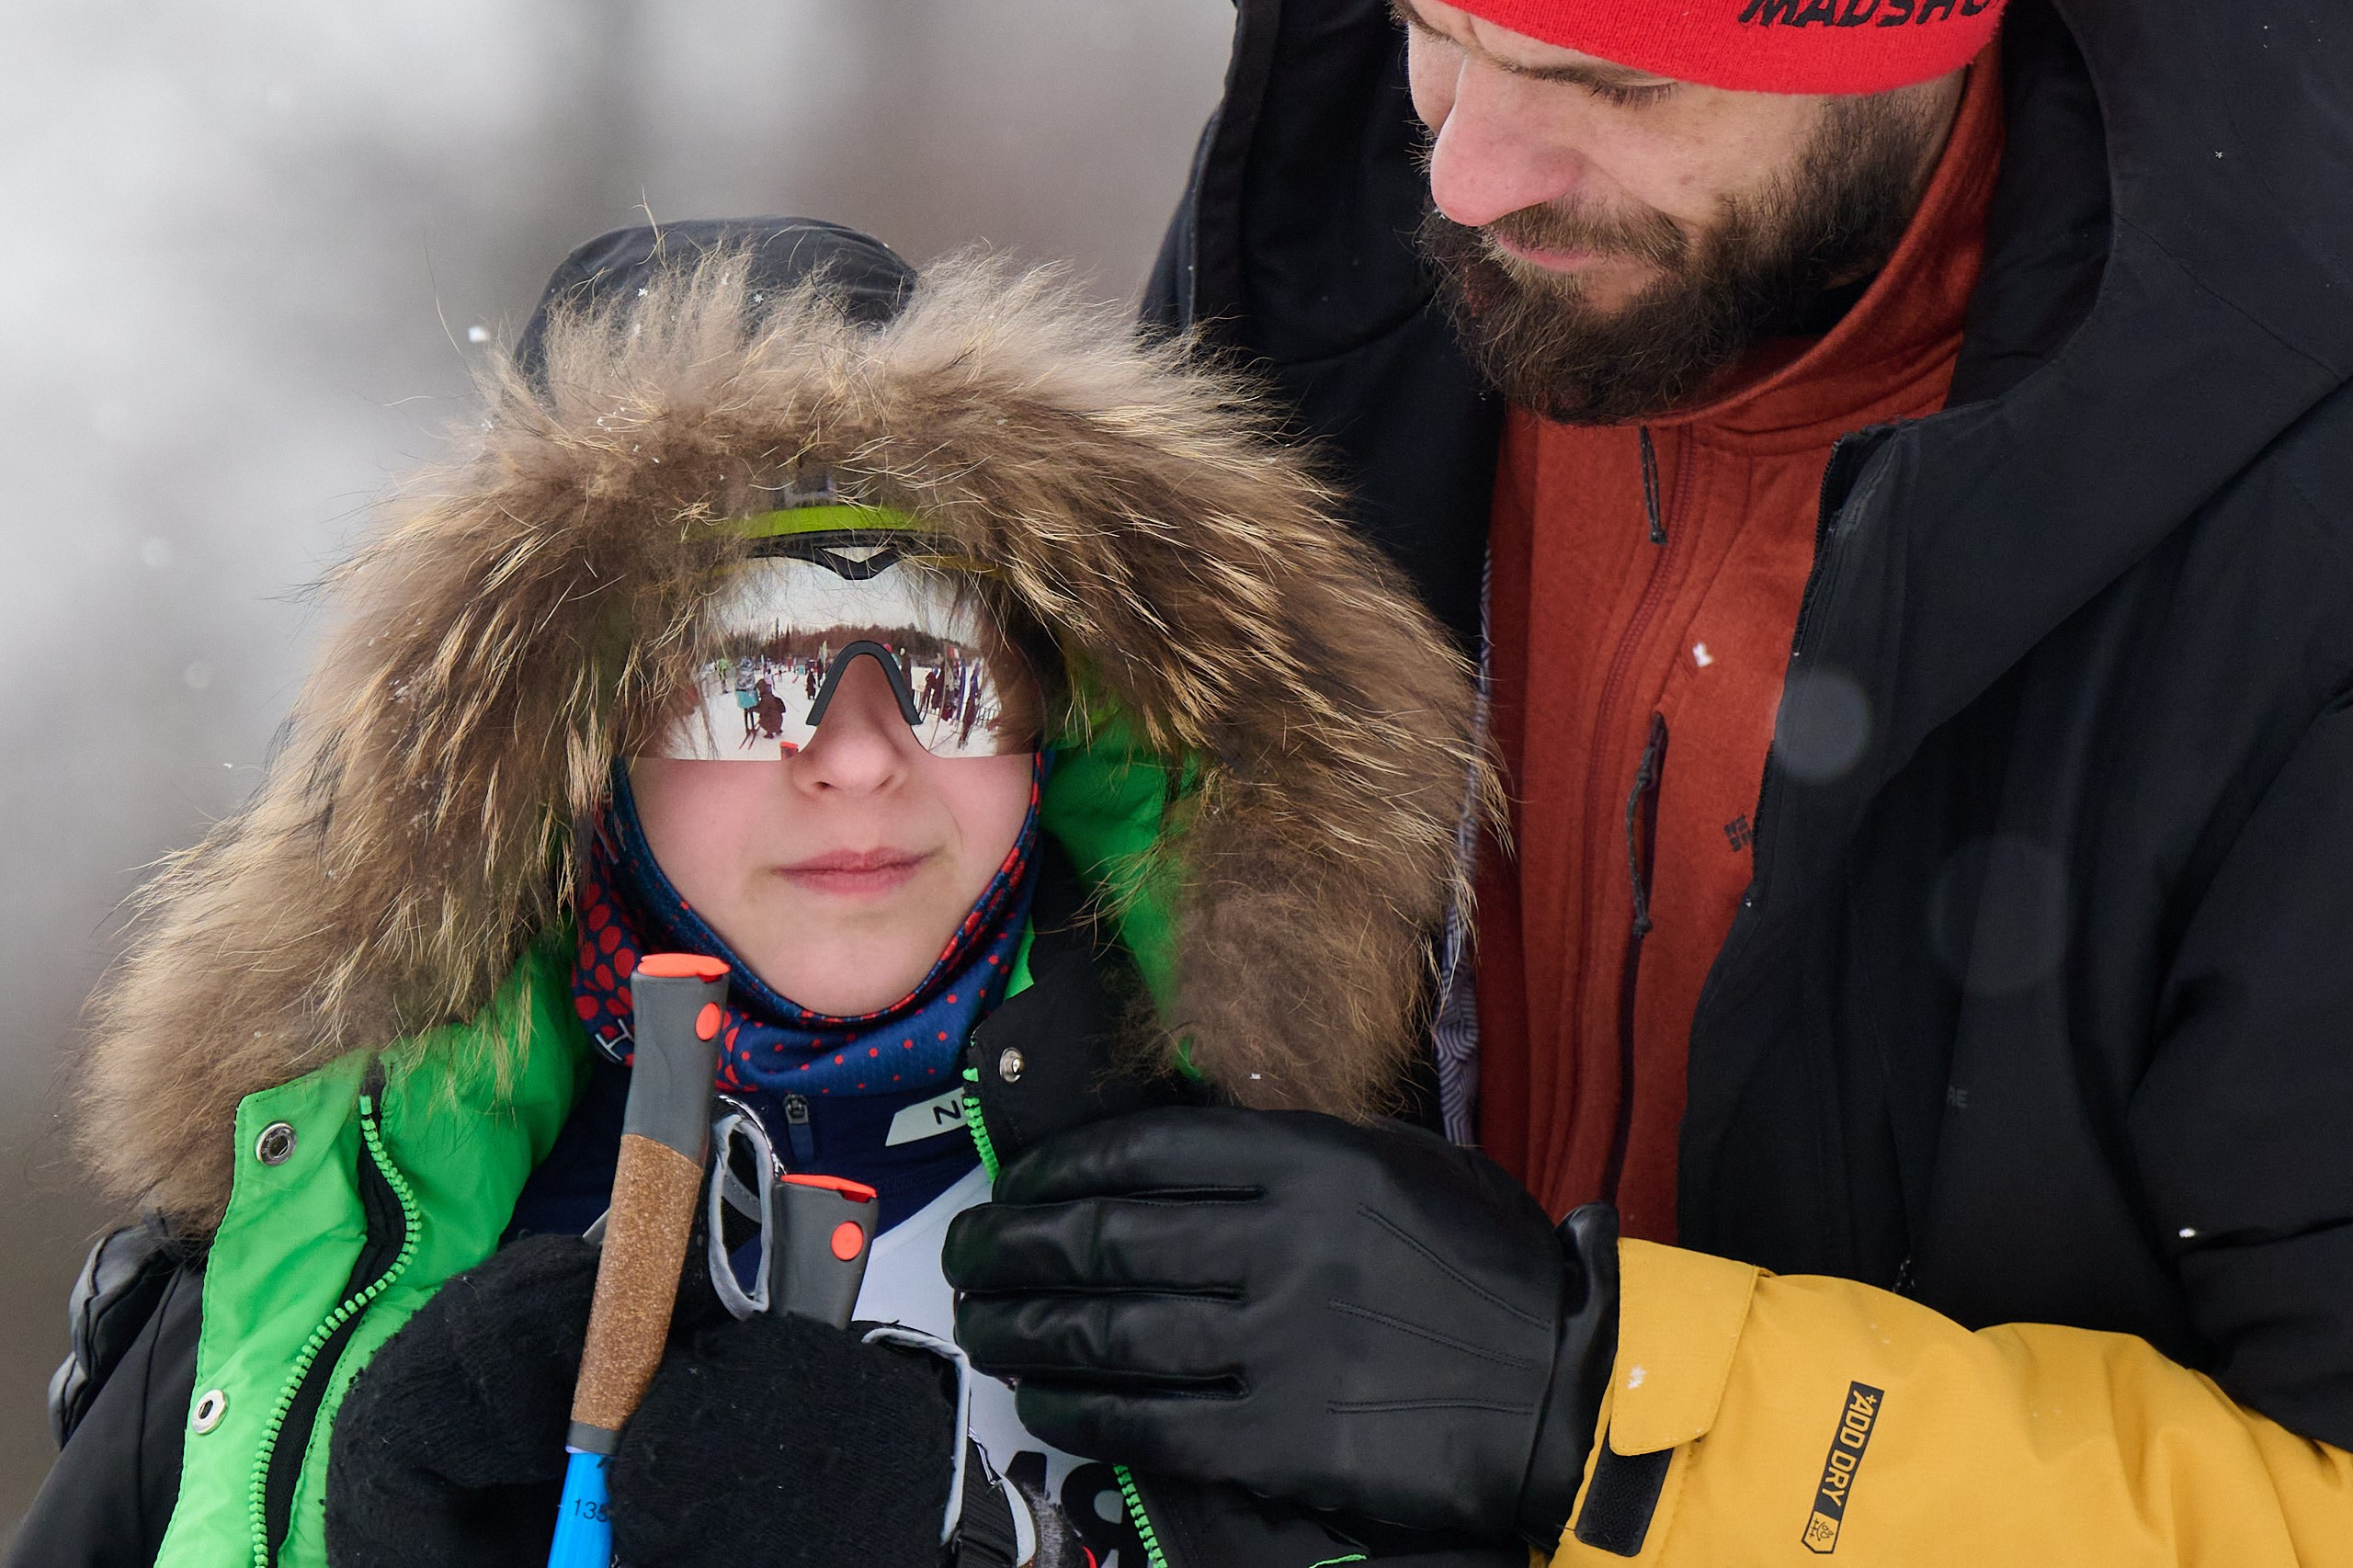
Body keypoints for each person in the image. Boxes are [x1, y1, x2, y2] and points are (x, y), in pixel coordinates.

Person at [944, 0, 2353, 1562]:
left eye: (1609, 79)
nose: (1466, 175)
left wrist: (1588, 1411)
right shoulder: (1332, 189)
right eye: (1435, 28)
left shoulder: (2291, 517)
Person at [15, 220, 1499, 1568]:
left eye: (938, 668)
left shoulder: (1329, 1206)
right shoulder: (311, 1258)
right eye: (750, 682)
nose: (860, 757)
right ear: (578, 751)